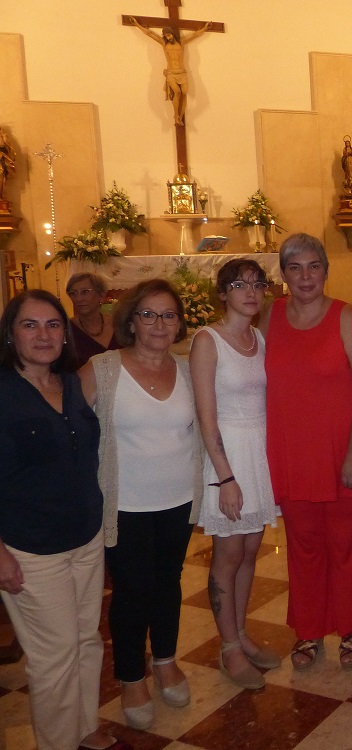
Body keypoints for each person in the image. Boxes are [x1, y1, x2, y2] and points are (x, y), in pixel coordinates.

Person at [0, 290, 129, 750]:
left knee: (87, 640)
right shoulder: (4, 394)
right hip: (30, 548)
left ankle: (84, 728)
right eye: (30, 325)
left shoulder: (71, 385)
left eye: (53, 324)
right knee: (53, 656)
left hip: (84, 536)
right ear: (11, 335)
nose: (43, 335)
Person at [79, 279, 203, 731]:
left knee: (169, 582)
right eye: (148, 314)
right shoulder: (102, 369)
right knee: (132, 591)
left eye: (168, 315)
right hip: (124, 504)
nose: (159, 324)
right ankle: (131, 676)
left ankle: (166, 660)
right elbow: (67, 429)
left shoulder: (187, 369)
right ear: (130, 321)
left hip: (178, 499)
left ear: (179, 323)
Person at [263, 232, 352, 671]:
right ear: (283, 274)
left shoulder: (346, 318)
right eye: (295, 268)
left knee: (345, 545)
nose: (305, 276)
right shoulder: (269, 316)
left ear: (326, 271)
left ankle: (351, 628)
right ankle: (309, 629)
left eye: (313, 266)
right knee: (303, 546)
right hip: (292, 454)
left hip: (342, 453)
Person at [189, 259, 280, 690]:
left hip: (258, 455)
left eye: (257, 284)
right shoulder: (208, 340)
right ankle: (228, 648)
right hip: (226, 457)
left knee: (249, 551)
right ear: (223, 293)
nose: (251, 292)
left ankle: (241, 633)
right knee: (227, 555)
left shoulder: (258, 338)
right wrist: (225, 478)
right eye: (240, 285)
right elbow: (206, 417)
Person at [128, 16, 211, 125]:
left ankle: (180, 116)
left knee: (184, 92)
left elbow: (194, 35)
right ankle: (176, 115)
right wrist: (137, 24)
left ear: (172, 34)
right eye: (166, 36)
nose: (168, 37)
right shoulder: (164, 44)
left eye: (169, 35)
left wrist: (205, 28)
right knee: (177, 92)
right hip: (171, 73)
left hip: (182, 73)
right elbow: (149, 34)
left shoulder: (181, 42)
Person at [66, 272, 121, 368]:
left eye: (85, 292)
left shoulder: (118, 325)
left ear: (101, 295)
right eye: (73, 293)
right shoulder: (67, 330)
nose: (79, 299)